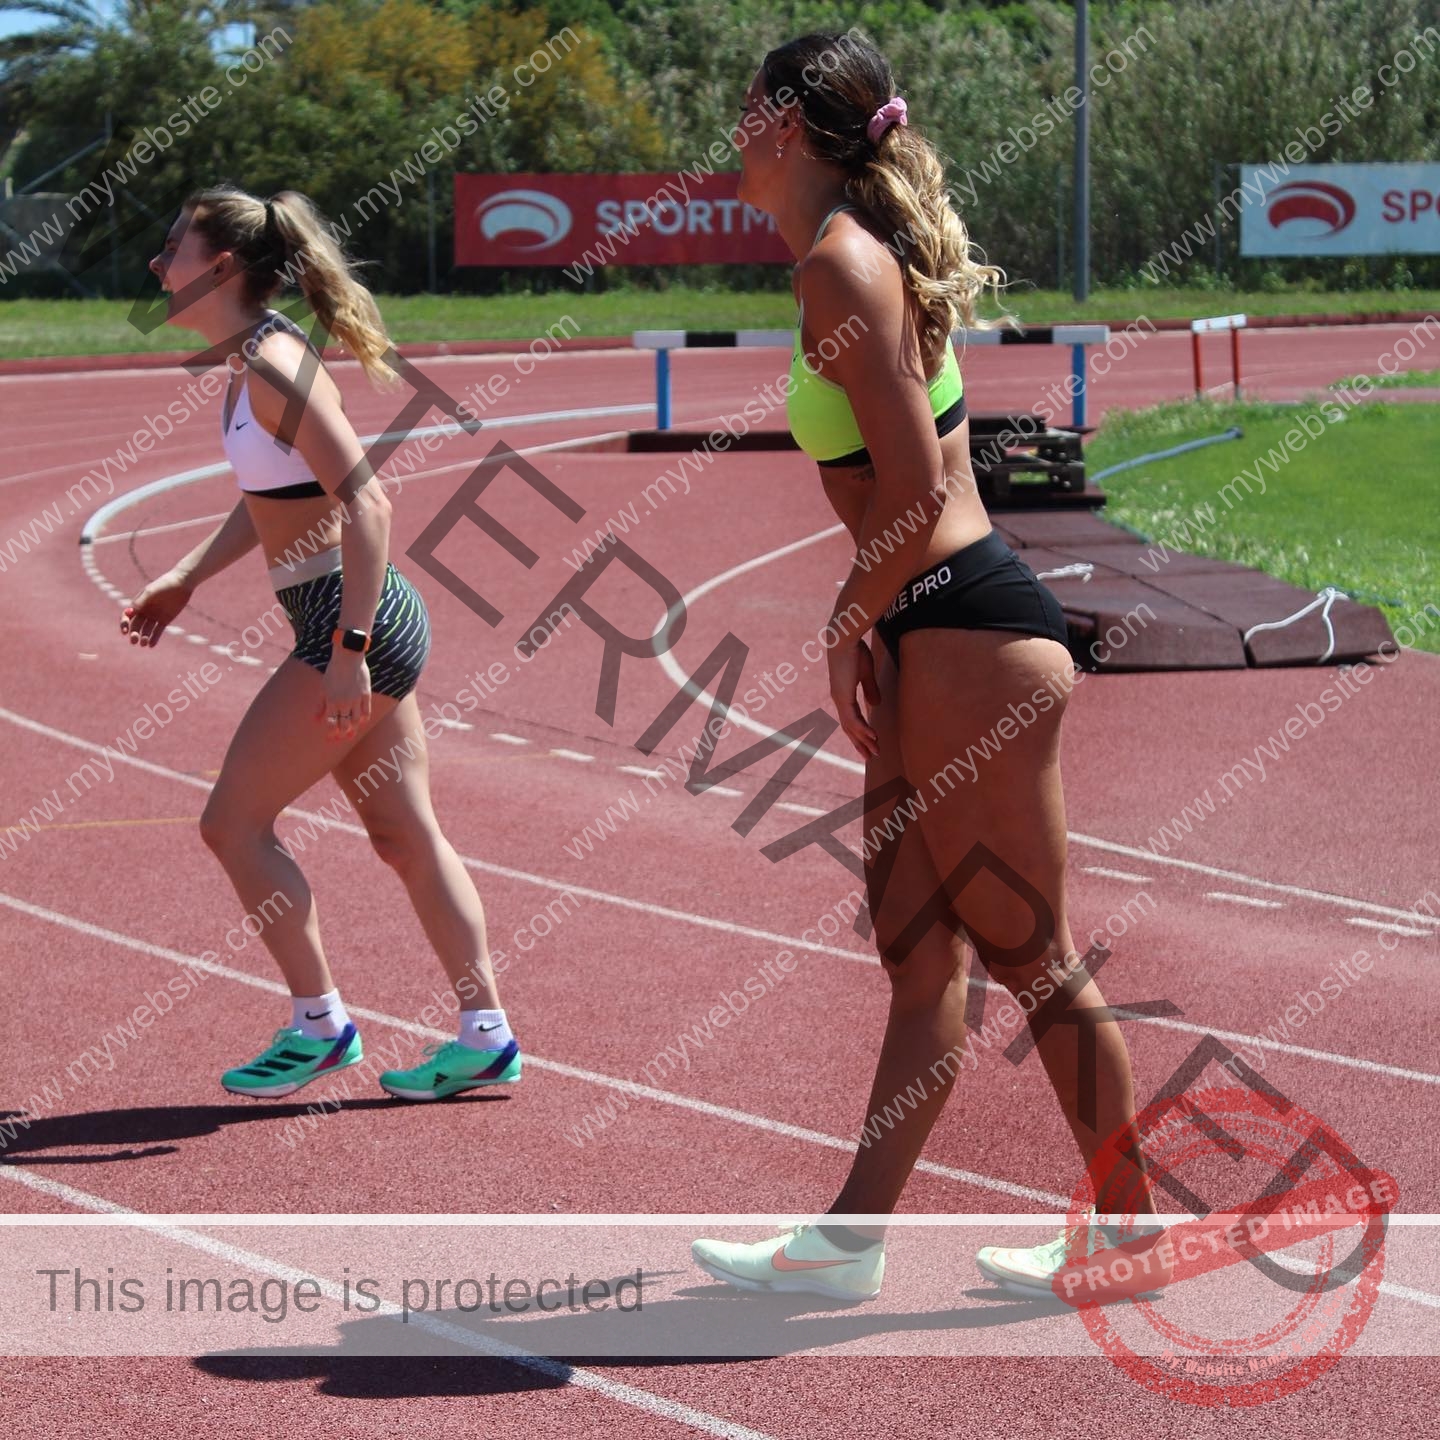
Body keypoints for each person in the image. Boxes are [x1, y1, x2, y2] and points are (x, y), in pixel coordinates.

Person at [691, 34, 1169, 1304]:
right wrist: (873, 625)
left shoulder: (843, 266)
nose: (730, 131)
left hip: (961, 622)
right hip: (932, 626)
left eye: (745, 111)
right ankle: (847, 1248)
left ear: (785, 127)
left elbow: (914, 493)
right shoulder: (845, 258)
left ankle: (1124, 1235)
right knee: (917, 953)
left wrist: (847, 623)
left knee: (1032, 954)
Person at [124, 185, 520, 1102]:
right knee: (404, 835)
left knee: (231, 824)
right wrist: (188, 575)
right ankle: (485, 1033)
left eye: (172, 248)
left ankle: (320, 1025)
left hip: (354, 623)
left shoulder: (272, 364)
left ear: (221, 268)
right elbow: (274, 499)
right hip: (355, 621)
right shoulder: (248, 363)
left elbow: (370, 500)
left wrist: (347, 650)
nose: (158, 264)